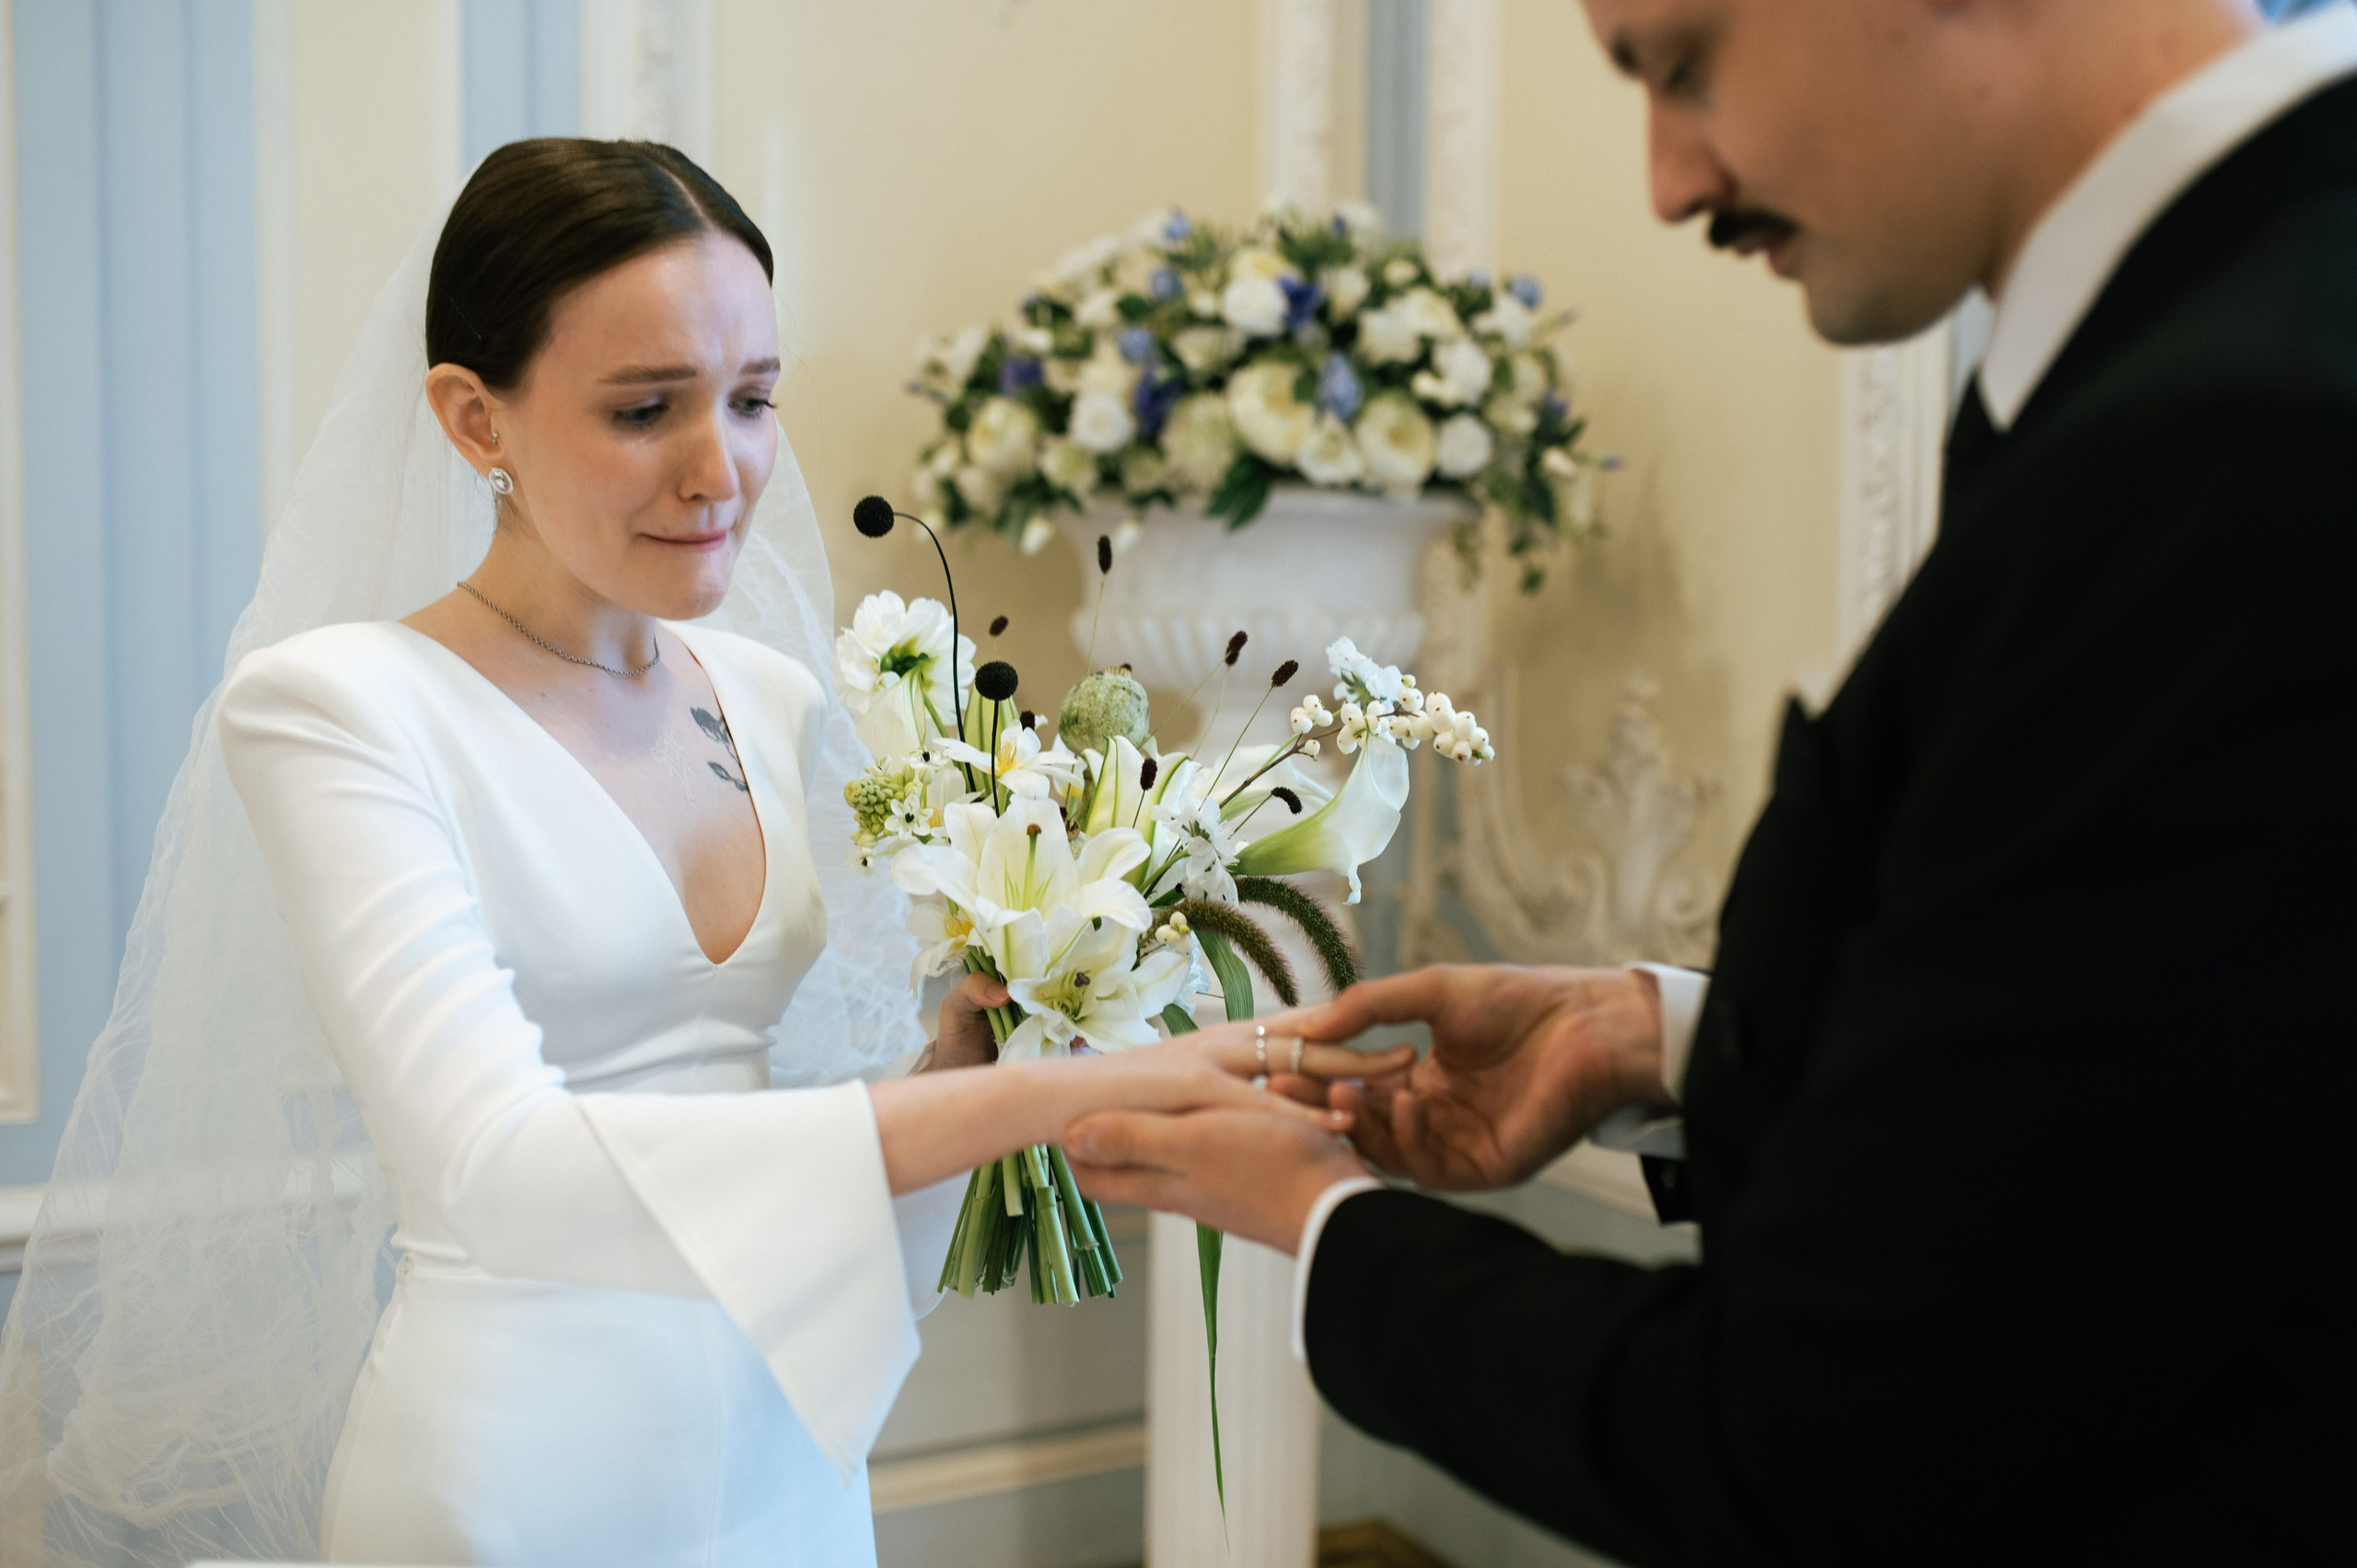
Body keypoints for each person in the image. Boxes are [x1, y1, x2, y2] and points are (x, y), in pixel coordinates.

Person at [1068, 1, 2357, 1562]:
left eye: (1684, 61)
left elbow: (1822, 1441)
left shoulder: (2238, 444)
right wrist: (1675, 1039)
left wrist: (1321, 1221)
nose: (1673, 181)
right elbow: (2171, 1106)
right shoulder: (2224, 318)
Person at [0, 139, 1383, 1568]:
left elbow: (806, 1128)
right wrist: (1026, 1103)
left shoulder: (773, 696)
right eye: (645, 407)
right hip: (519, 1470)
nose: (720, 468)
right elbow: (497, 1168)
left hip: (785, 1435)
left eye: (753, 398)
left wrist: (970, 1056)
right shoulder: (338, 707)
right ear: (476, 419)